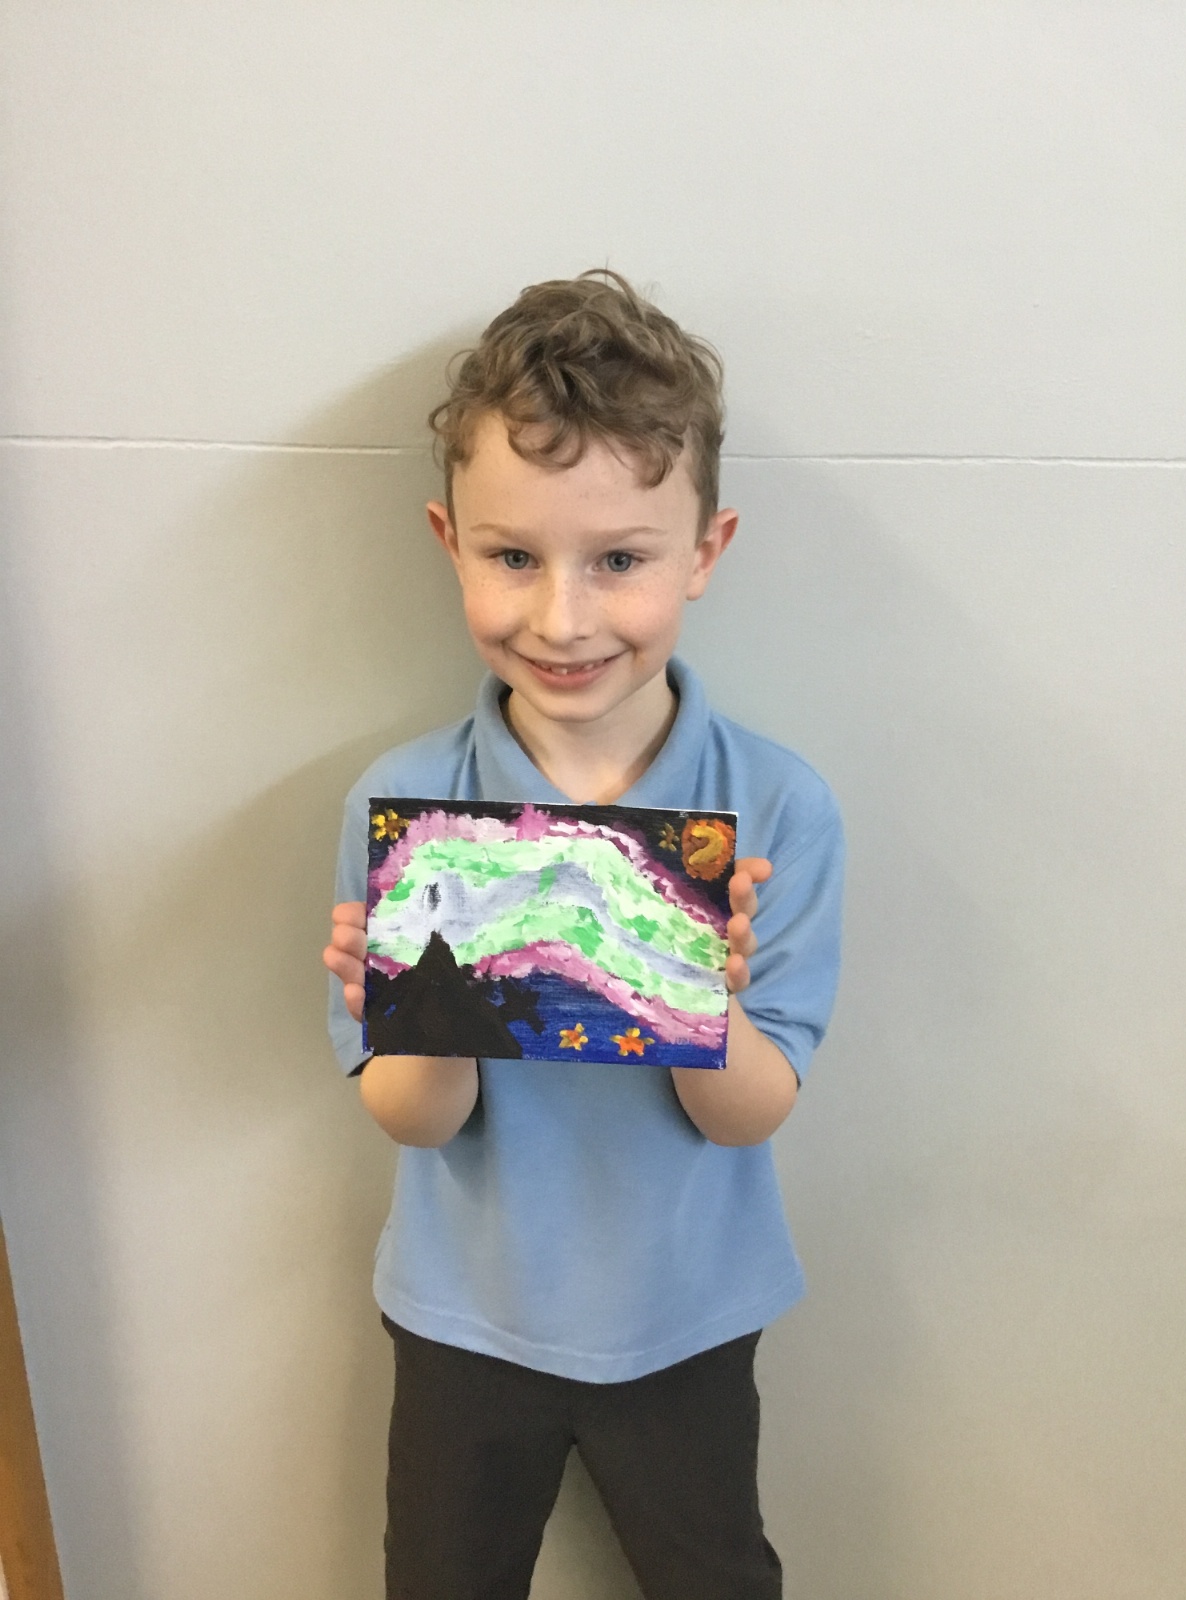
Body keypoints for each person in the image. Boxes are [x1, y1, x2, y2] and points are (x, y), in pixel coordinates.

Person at [323, 269, 844, 1600]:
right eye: (514, 556)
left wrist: (703, 991)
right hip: (465, 1309)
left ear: (705, 552)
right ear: (449, 541)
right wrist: (417, 1004)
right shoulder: (409, 804)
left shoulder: (774, 805)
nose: (563, 619)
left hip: (689, 1307)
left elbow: (752, 1114)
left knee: (716, 1577)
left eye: (619, 558)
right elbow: (414, 1120)